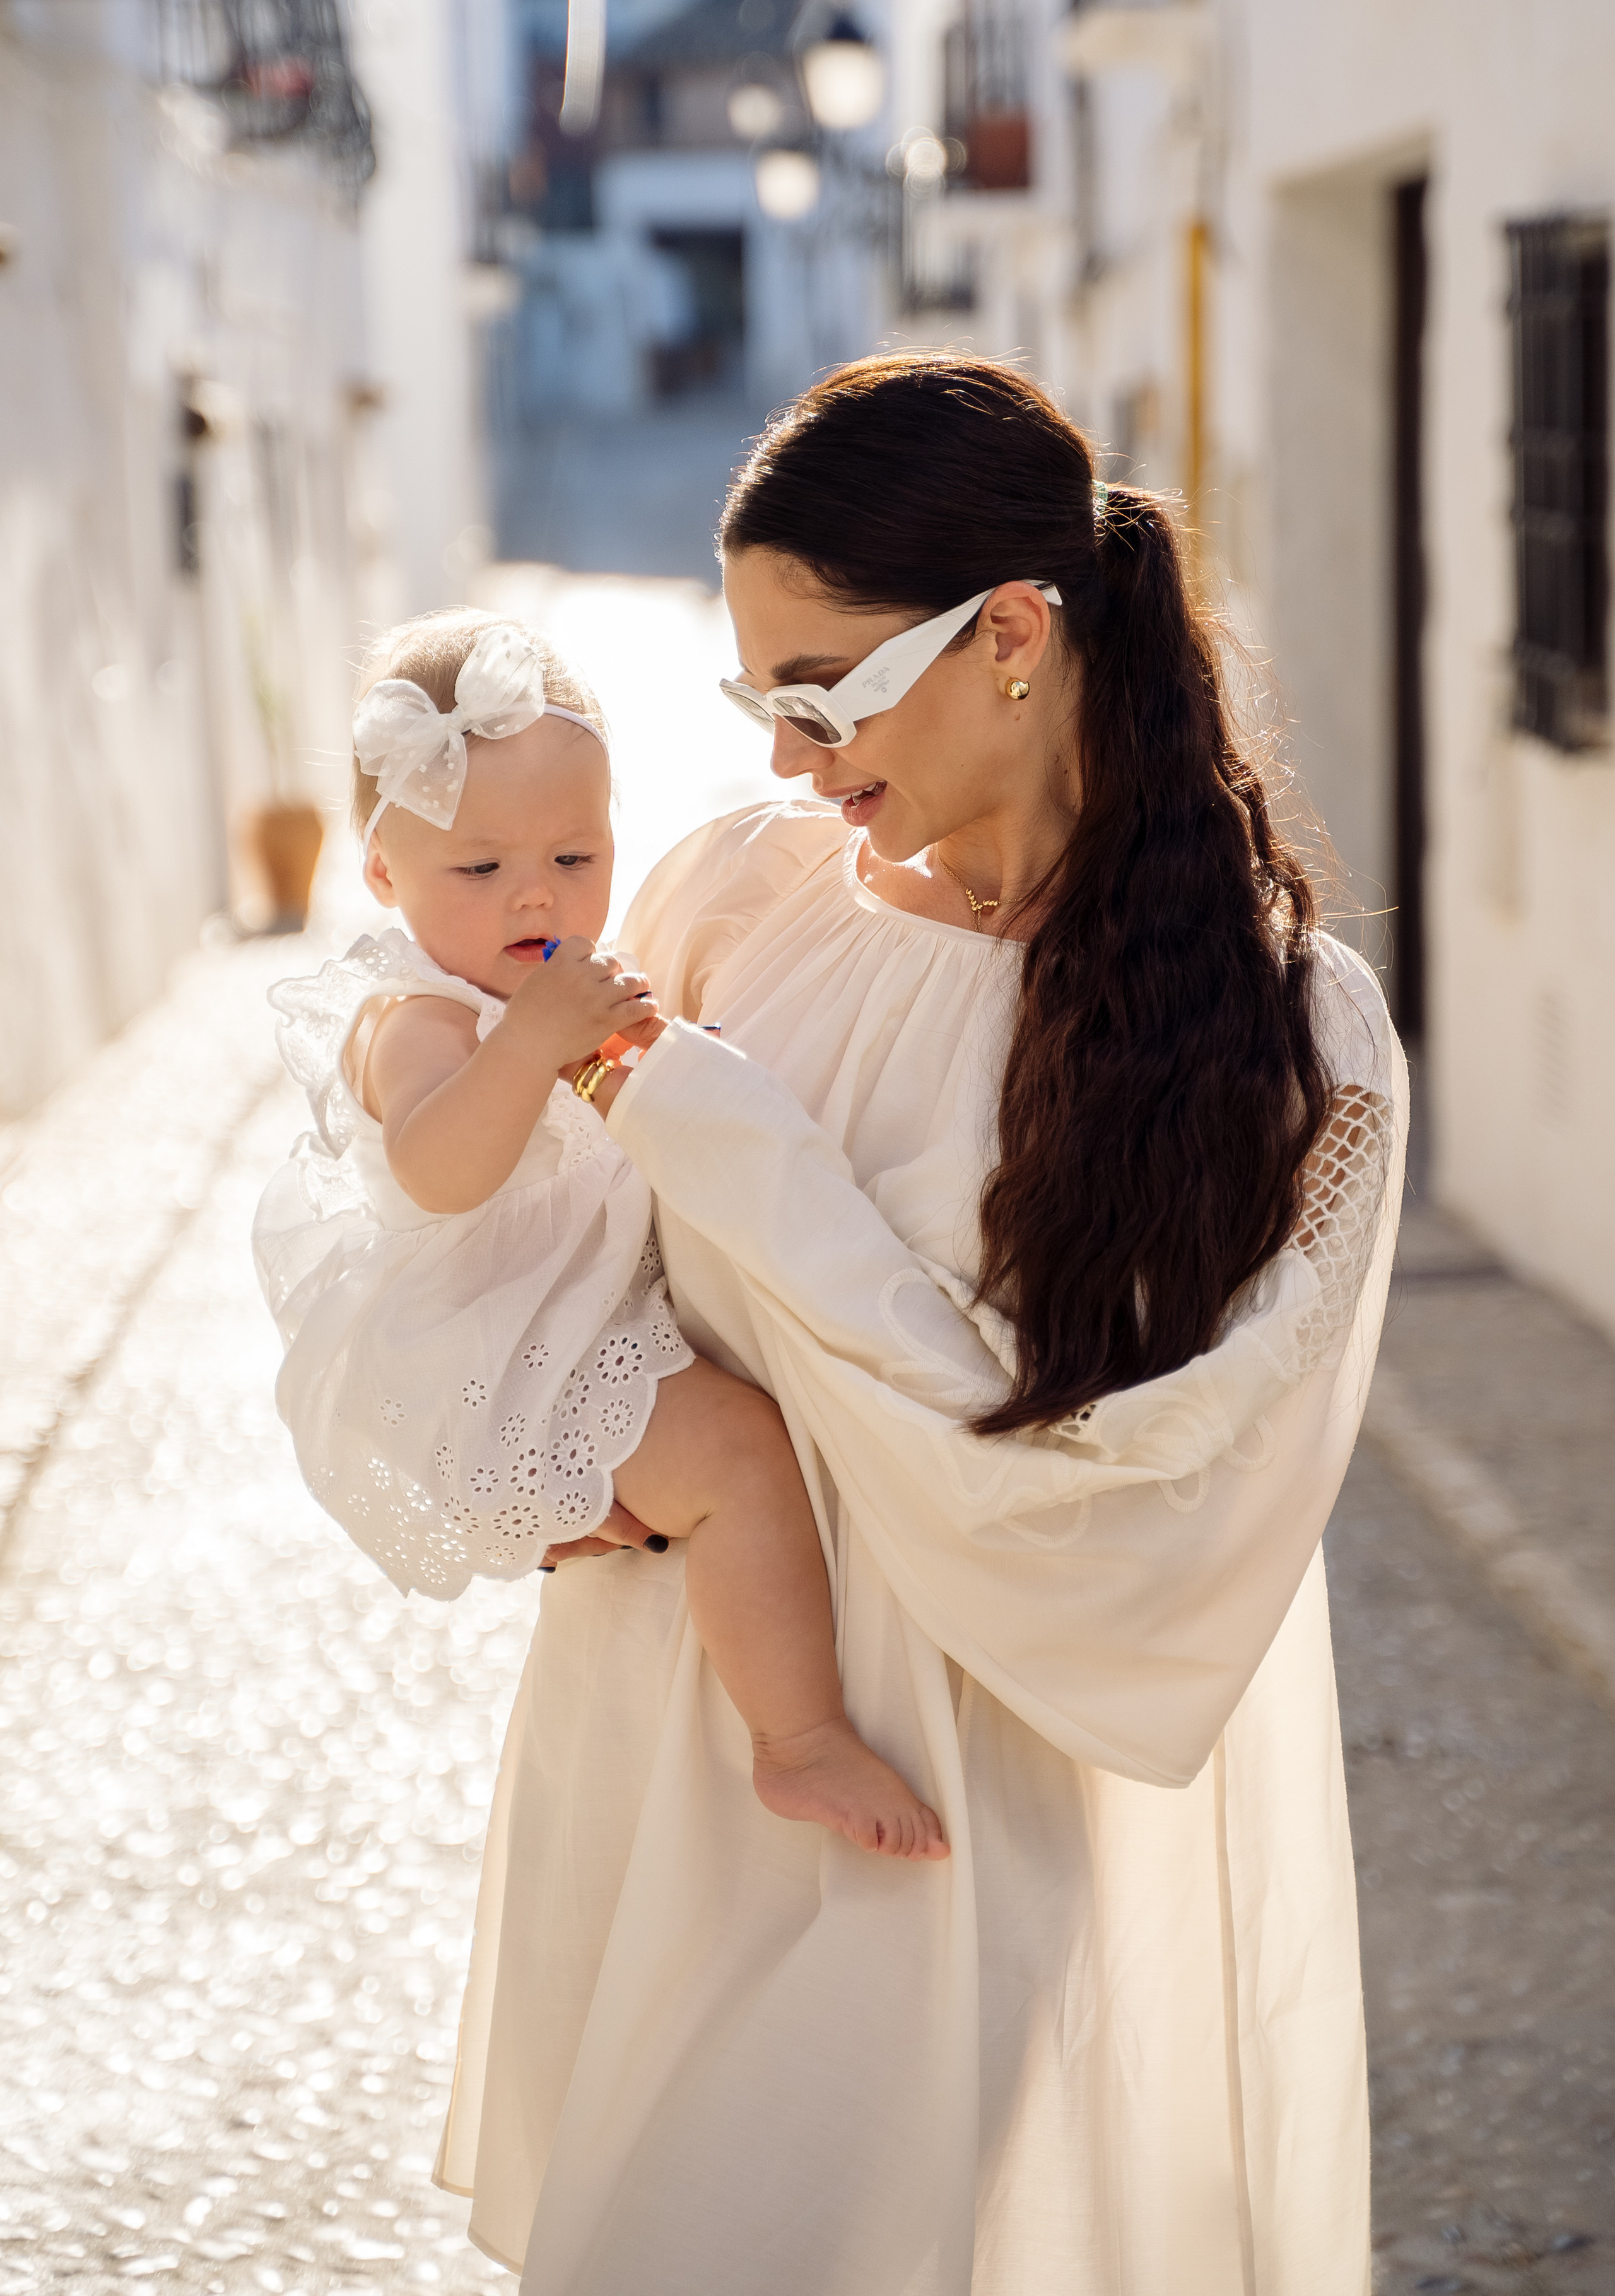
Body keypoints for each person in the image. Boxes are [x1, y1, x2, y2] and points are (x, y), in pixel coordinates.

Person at [435, 355, 1407, 2296]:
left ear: (1014, 637)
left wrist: (725, 1141)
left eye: (826, 693)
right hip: (676, 1724)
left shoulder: (1291, 1040)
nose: (794, 757)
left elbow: (1151, 1511)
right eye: (760, 702)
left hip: (972, 1811)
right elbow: (542, 1258)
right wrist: (549, 1454)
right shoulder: (739, 901)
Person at [252, 608, 946, 1859]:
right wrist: (529, 1043)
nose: (535, 892)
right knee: (738, 1459)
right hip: (496, 1353)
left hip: (575, 1314)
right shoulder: (415, 1017)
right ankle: (799, 1740)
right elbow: (438, 1170)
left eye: (575, 856)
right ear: (384, 878)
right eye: (479, 870)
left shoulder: (560, 978)